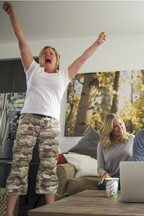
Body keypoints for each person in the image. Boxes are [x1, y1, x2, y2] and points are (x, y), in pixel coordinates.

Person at [2, 1, 107, 215]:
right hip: (28, 119)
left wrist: (98, 42)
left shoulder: (63, 75)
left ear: (57, 59)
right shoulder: (33, 70)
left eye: (51, 53)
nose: (47, 55)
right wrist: (12, 13)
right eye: (44, 53)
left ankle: (49, 212)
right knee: (19, 165)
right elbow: (22, 42)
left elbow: (82, 59)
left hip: (50, 123)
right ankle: (9, 213)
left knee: (48, 168)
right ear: (40, 59)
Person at [97, 113, 134, 189]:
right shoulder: (101, 145)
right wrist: (104, 174)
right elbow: (100, 167)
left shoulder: (132, 139)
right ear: (109, 129)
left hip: (130, 178)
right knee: (102, 185)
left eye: (121, 124)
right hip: (112, 179)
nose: (120, 127)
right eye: (115, 126)